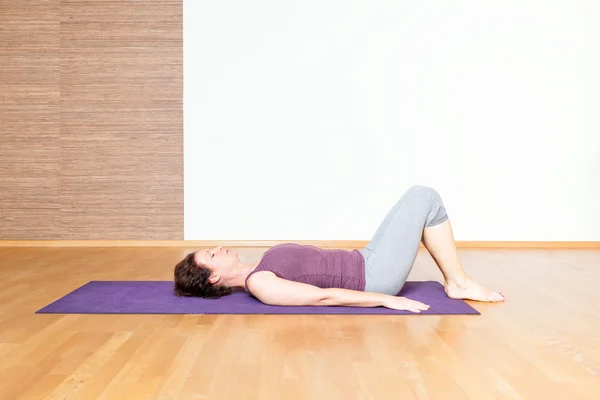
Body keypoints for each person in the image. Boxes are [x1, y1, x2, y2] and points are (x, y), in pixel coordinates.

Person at [173, 185, 504, 313]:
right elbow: (323, 296)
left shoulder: (259, 267)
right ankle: (458, 282)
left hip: (365, 258)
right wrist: (387, 299)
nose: (219, 248)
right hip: (374, 276)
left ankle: (458, 280)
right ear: (213, 277)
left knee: (419, 199)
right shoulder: (260, 284)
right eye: (211, 255)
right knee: (424, 197)